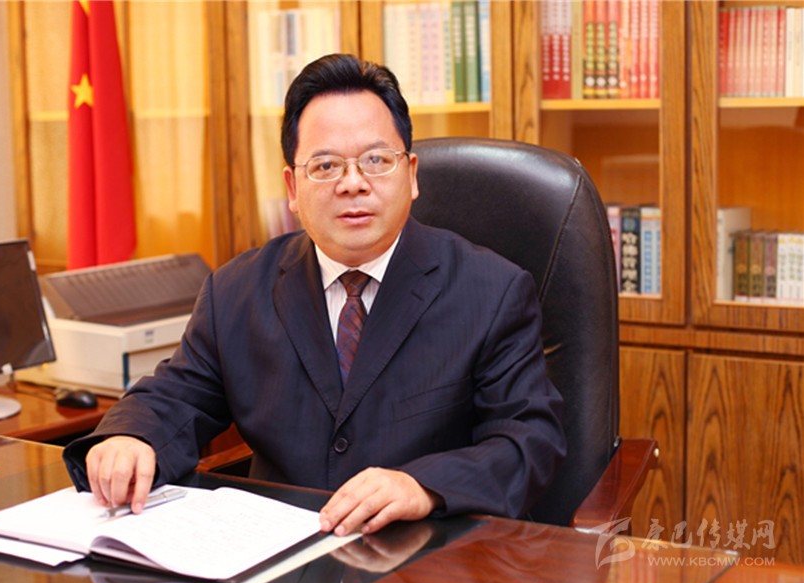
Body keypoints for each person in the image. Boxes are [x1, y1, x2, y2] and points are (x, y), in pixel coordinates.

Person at [63, 53, 566, 537]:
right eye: (325, 166)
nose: (353, 184)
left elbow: (529, 440)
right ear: (292, 188)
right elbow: (176, 397)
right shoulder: (236, 291)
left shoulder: (491, 291)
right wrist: (131, 436)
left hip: (426, 556)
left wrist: (423, 486)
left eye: (376, 160)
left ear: (412, 174)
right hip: (276, 557)